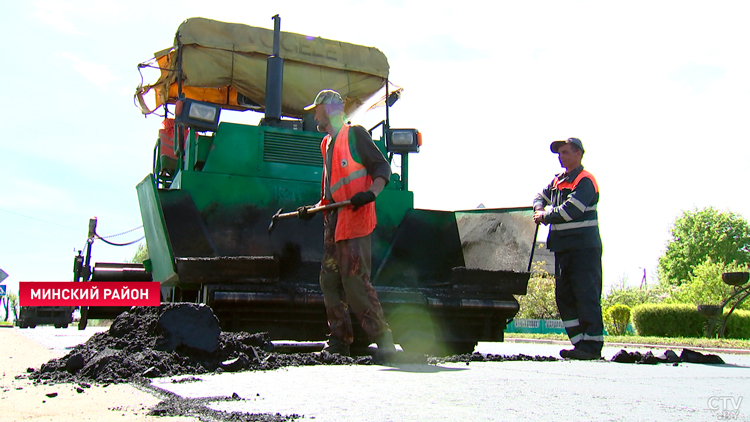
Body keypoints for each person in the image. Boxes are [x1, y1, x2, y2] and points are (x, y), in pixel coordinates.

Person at [298, 89, 397, 358]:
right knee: (329, 280)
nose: (314, 114)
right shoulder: (326, 144)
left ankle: (384, 341)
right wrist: (312, 209)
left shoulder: (355, 135)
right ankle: (339, 341)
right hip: (334, 223)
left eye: (316, 109)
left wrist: (370, 194)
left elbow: (382, 169)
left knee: (355, 282)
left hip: (355, 221)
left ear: (329, 109)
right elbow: (331, 194)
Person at [533, 137, 603, 360]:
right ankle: (579, 343)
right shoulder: (558, 181)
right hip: (563, 249)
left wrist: (544, 215)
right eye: (559, 153)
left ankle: (592, 346)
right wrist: (539, 207)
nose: (560, 156)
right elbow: (538, 196)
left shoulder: (585, 180)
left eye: (565, 152)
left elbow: (570, 210)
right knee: (564, 297)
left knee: (586, 295)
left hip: (584, 249)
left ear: (578, 153)